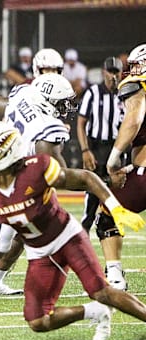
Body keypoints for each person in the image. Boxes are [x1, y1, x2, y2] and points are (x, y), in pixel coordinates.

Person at [0, 121, 146, 340]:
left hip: (67, 238)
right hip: (39, 251)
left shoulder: (37, 169)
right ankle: (95, 312)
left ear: (6, 151)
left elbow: (85, 178)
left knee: (102, 292)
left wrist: (115, 207)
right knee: (38, 321)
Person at [0, 72, 77, 296]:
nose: (65, 109)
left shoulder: (24, 95)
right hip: (16, 185)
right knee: (7, 245)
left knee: (22, 236)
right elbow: (60, 177)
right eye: (61, 104)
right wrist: (101, 182)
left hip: (9, 176)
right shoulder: (46, 131)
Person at [97, 43, 146, 292]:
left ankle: (115, 276)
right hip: (140, 167)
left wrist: (114, 158)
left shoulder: (138, 84)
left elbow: (134, 118)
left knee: (107, 215)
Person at [77, 56, 126, 235]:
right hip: (96, 148)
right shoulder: (93, 93)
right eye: (110, 71)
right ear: (103, 72)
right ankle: (82, 235)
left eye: (116, 72)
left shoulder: (124, 95)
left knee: (116, 197)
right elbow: (81, 123)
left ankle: (112, 238)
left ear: (121, 74)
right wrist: (85, 150)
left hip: (116, 149)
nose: (113, 76)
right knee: (91, 197)